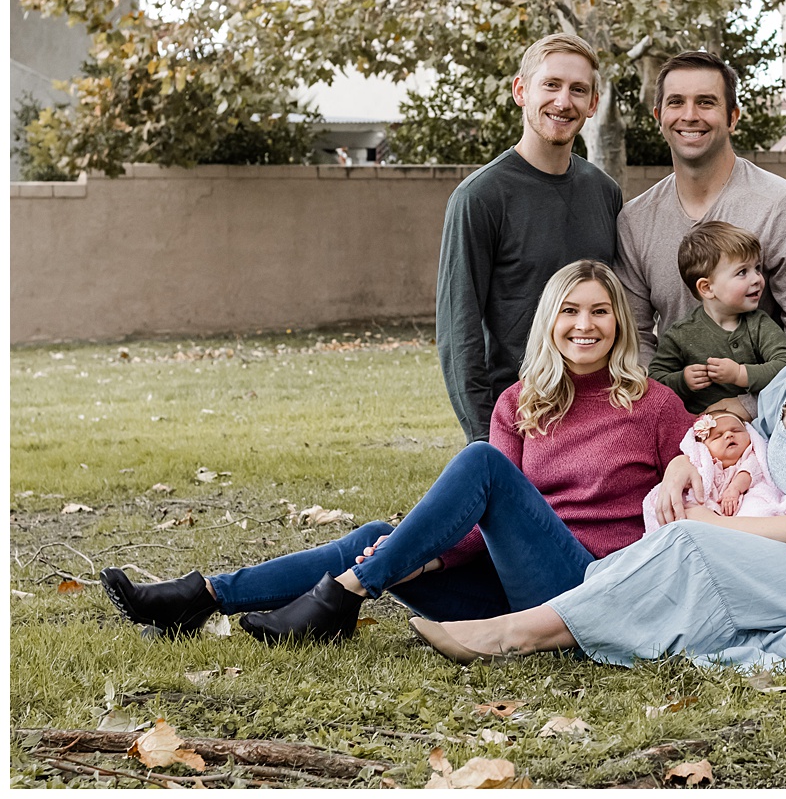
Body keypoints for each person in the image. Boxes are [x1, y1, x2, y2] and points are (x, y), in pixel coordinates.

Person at [99, 261, 695, 641]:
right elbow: (484, 527)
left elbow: (709, 458)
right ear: (549, 321)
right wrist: (421, 553)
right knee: (374, 536)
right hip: (506, 586)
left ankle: (344, 595)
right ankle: (203, 597)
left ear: (619, 322)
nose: (584, 325)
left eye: (599, 312)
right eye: (569, 310)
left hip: (585, 587)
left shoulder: (654, 403)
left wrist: (678, 467)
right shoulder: (519, 403)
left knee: (479, 464)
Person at [408, 241, 786, 671]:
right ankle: (563, 609)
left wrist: (712, 525)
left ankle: (516, 634)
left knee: (690, 543)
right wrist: (686, 460)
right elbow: (744, 449)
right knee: (684, 549)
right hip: (776, 560)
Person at [436, 34, 623, 446]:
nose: (563, 101)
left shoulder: (604, 192)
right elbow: (458, 330)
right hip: (520, 415)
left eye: (578, 90)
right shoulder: (479, 197)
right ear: (522, 91)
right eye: (551, 85)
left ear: (593, 104)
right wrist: (486, 440)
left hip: (599, 414)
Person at [616, 51, 786, 368]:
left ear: (733, 117)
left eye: (706, 102)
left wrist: (746, 408)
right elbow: (636, 340)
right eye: (676, 102)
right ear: (658, 116)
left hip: (768, 411)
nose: (689, 115)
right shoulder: (635, 220)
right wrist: (666, 408)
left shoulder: (782, 207)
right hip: (670, 407)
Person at [647, 220, 786, 414]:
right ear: (707, 288)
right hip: (697, 429)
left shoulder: (758, 324)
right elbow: (654, 381)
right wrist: (682, 381)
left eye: (757, 268)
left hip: (752, 427)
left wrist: (740, 374)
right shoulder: (681, 334)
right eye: (742, 272)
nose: (757, 279)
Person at [641, 411, 786, 533]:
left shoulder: (749, 456)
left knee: (758, 511)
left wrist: (735, 489)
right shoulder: (704, 464)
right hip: (710, 507)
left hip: (746, 498)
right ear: (704, 447)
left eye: (736, 430)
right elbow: (694, 483)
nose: (728, 435)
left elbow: (750, 472)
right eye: (718, 436)